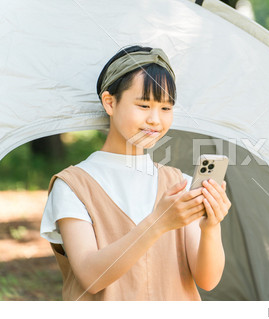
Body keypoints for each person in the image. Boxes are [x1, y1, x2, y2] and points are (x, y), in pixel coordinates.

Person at [40, 45, 231, 301]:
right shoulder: (73, 186)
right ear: (110, 102)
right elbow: (90, 276)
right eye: (143, 105)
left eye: (166, 108)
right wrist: (158, 223)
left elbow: (207, 280)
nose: (155, 120)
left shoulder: (180, 183)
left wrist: (211, 227)